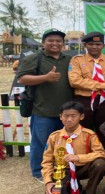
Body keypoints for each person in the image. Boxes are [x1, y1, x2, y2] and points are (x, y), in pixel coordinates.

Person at [17, 28, 73, 182]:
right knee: (41, 143)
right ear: (43, 42)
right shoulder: (35, 58)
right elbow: (22, 79)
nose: (55, 43)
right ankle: (38, 172)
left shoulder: (69, 59)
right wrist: (46, 77)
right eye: (51, 40)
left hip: (66, 112)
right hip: (42, 110)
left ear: (63, 43)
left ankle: (58, 169)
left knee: (61, 143)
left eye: (58, 41)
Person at [42, 101, 105, 194]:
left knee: (100, 163)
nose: (69, 119)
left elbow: (101, 153)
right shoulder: (54, 136)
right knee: (58, 191)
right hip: (63, 170)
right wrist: (48, 181)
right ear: (60, 116)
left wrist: (78, 158)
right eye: (66, 116)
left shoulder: (89, 134)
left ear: (81, 116)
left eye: (73, 116)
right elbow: (47, 161)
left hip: (83, 168)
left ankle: (90, 190)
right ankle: (72, 186)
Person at [68, 31, 105, 145]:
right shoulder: (77, 60)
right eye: (91, 44)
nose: (94, 47)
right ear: (85, 45)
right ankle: (83, 158)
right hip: (84, 100)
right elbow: (75, 81)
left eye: (98, 44)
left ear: (103, 46)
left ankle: (102, 158)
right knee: (83, 130)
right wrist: (104, 85)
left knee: (104, 130)